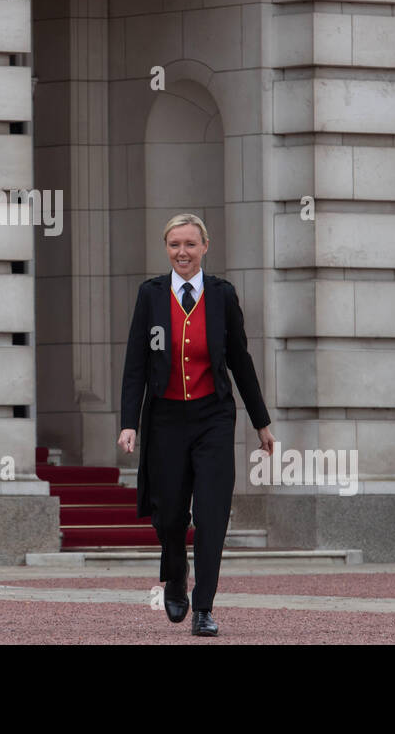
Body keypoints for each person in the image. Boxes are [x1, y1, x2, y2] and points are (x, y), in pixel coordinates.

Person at [118, 213, 276, 637]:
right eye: (174, 245)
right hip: (165, 419)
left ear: (205, 246)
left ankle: (204, 606)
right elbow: (136, 363)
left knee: (211, 515)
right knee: (168, 515)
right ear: (166, 249)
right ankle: (174, 574)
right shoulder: (150, 295)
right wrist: (128, 422)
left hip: (213, 418)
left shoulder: (222, 295)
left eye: (190, 244)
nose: (182, 253)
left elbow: (241, 361)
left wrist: (261, 423)